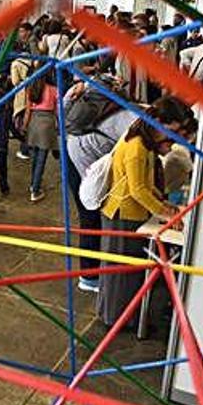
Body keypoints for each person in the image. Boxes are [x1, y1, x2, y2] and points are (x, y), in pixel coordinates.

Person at [96, 97, 192, 327]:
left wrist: (163, 205)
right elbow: (138, 190)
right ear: (158, 121)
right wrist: (166, 212)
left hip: (131, 214)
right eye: (173, 129)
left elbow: (145, 185)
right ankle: (115, 319)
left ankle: (123, 317)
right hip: (122, 214)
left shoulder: (145, 143)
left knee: (126, 272)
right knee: (119, 273)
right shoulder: (137, 147)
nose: (173, 136)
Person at [62, 79, 137, 292]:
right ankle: (91, 277)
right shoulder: (129, 118)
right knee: (94, 218)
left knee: (87, 217)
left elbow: (62, 116)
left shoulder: (79, 97)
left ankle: (89, 275)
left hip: (73, 154)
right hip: (92, 163)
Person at [25, 71, 58, 203]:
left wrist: (25, 126)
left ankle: (33, 183)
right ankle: (35, 190)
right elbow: (57, 111)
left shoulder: (31, 89)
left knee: (34, 157)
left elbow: (28, 110)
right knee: (41, 160)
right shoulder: (54, 90)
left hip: (33, 122)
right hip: (47, 123)